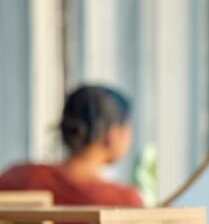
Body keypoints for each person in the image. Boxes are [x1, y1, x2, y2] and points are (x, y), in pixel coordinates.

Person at [0, 85, 143, 212]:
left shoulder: (17, 180)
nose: (130, 140)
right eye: (128, 129)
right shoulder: (124, 204)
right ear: (112, 135)